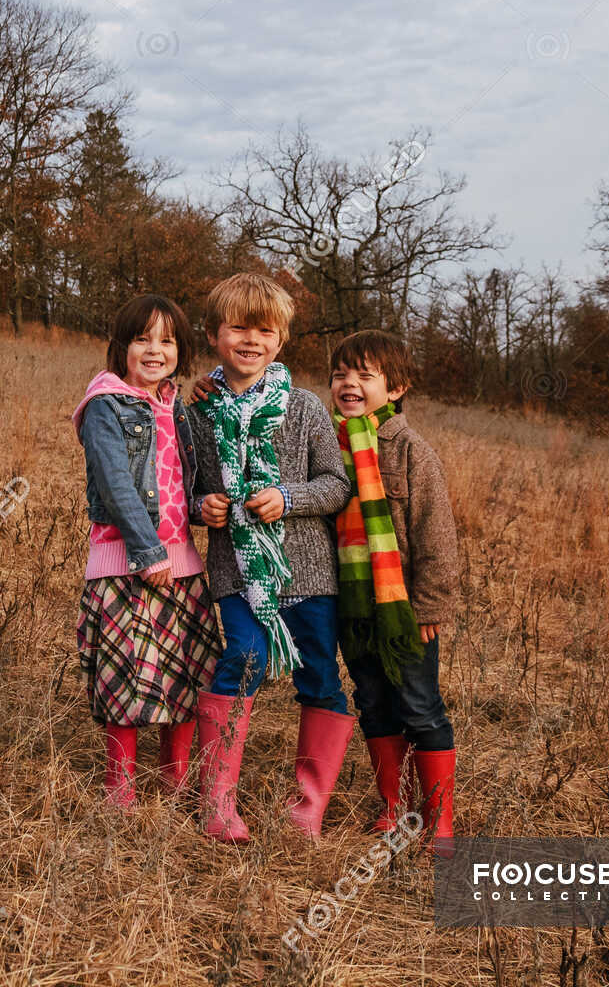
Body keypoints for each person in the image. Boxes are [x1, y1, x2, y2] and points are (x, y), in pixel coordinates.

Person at [187, 273, 353, 842]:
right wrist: (200, 505)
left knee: (321, 679)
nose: (251, 340)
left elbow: (336, 485)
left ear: (280, 340)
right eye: (239, 327)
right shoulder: (198, 411)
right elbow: (181, 487)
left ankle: (307, 806)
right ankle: (218, 801)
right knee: (244, 660)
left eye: (265, 329)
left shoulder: (305, 408)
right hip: (237, 569)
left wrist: (289, 498)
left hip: (306, 571)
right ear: (214, 335)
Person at [72, 295, 219, 809]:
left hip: (183, 562)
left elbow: (182, 479)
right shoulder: (105, 406)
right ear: (121, 346)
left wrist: (206, 508)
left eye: (168, 340)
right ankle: (121, 787)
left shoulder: (175, 404)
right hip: (128, 564)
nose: (155, 350)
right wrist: (148, 552)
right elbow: (116, 485)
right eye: (143, 338)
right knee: (124, 676)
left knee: (183, 673)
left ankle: (175, 781)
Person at [328, 329, 463, 857]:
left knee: (419, 704)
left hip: (403, 608)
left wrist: (429, 605)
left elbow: (437, 535)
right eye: (340, 374)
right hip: (352, 605)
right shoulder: (327, 443)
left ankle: (440, 820)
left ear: (397, 386)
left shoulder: (411, 452)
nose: (350, 384)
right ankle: (394, 808)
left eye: (365, 375)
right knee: (373, 702)